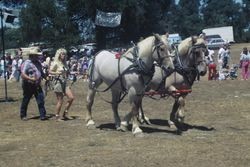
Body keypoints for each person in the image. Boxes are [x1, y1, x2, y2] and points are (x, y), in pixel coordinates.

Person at [20, 48, 47, 121]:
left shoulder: (38, 63)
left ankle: (42, 115)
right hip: (28, 84)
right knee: (26, 99)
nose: (38, 57)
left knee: (40, 99)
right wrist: (31, 79)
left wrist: (45, 77)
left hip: (37, 84)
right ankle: (23, 115)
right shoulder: (27, 63)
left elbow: (41, 72)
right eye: (36, 55)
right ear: (32, 55)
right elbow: (23, 74)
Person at [49, 48, 74, 121]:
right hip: (58, 82)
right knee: (60, 100)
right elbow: (50, 71)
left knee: (71, 98)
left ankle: (65, 113)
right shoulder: (56, 63)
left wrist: (73, 73)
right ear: (59, 55)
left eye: (65, 54)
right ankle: (57, 116)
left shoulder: (65, 63)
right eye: (62, 54)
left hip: (65, 82)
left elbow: (67, 72)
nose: (64, 55)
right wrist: (57, 73)